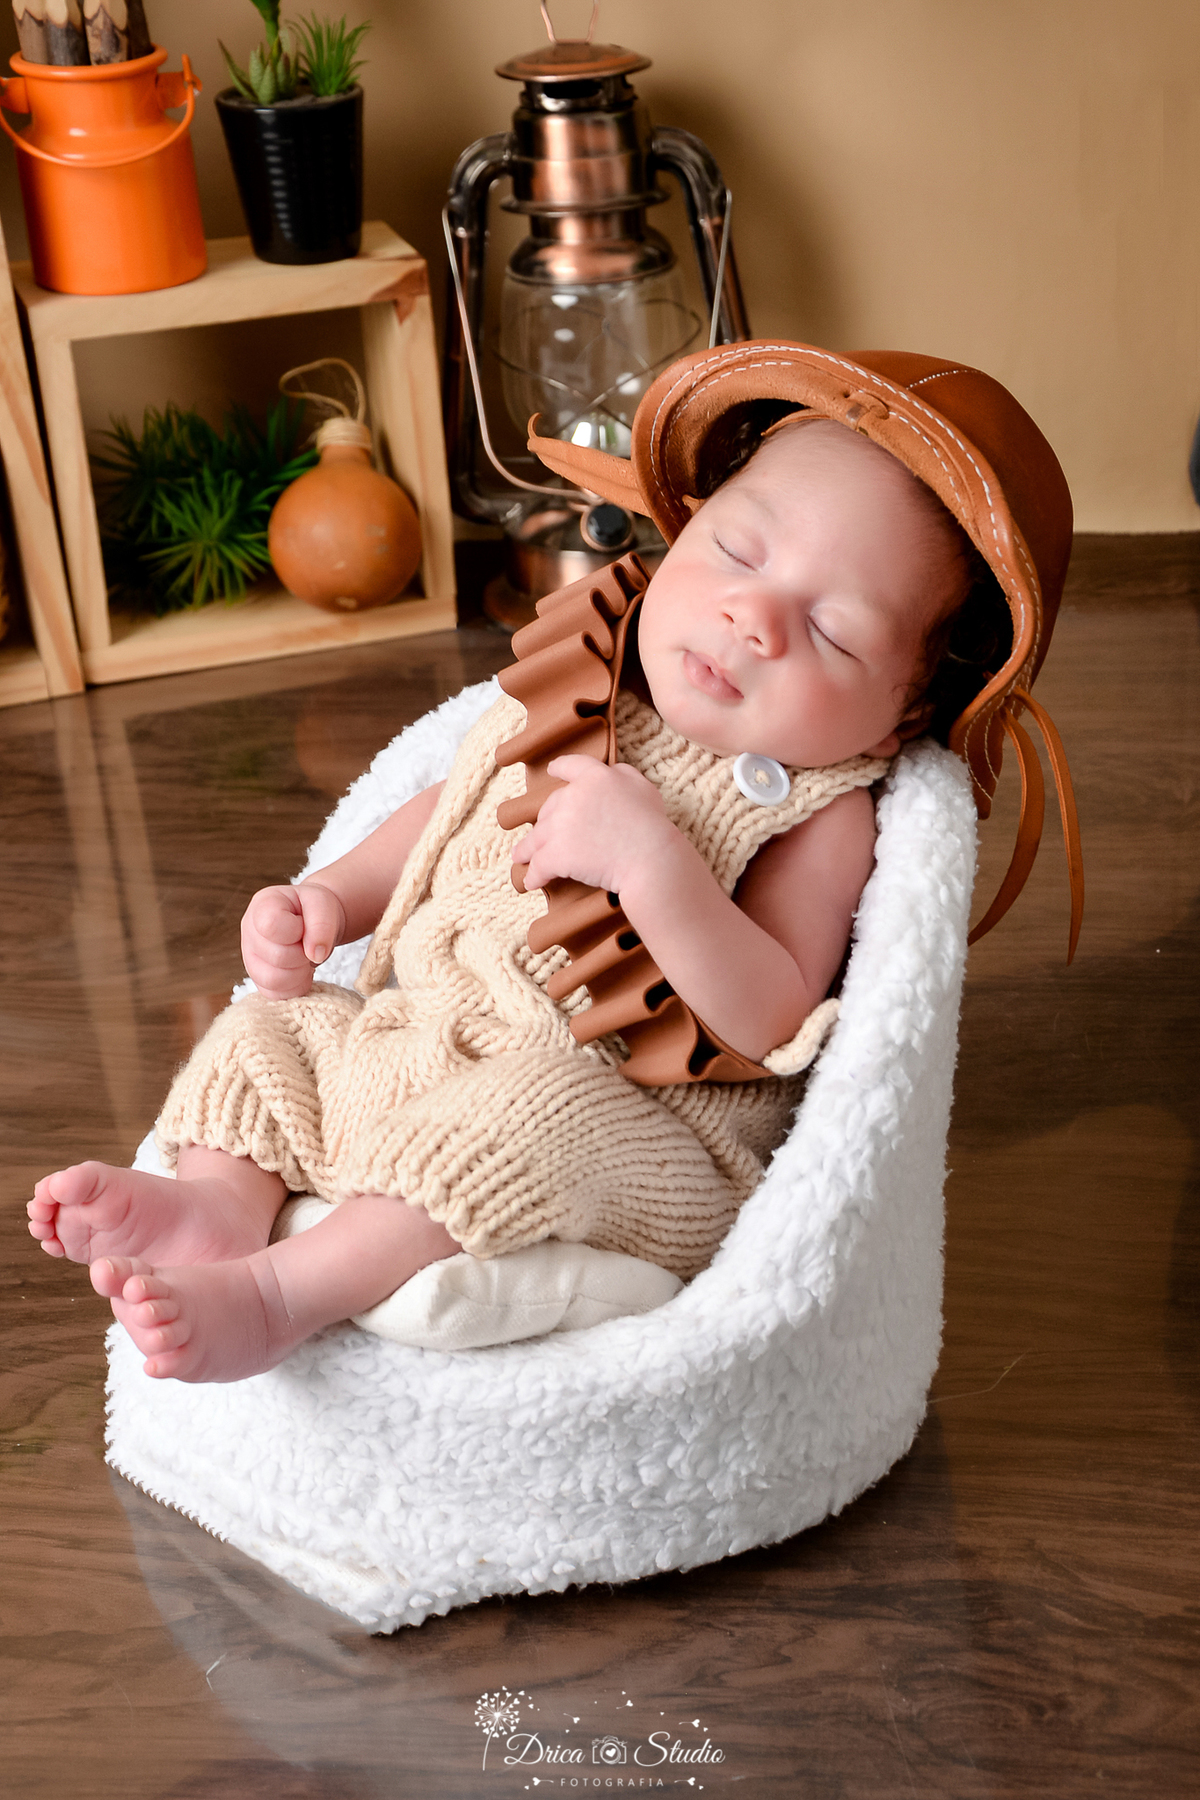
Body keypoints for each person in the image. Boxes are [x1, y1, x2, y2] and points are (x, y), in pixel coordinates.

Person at [27, 341, 1080, 1386]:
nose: (751, 620)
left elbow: (769, 1016)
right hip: (423, 1035)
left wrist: (657, 866)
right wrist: (329, 899)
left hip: (620, 1123)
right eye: (738, 555)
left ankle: (281, 1293)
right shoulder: (586, 684)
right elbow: (453, 810)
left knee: (516, 1118)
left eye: (833, 633)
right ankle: (218, 1208)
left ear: (906, 715)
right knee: (272, 1032)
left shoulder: (825, 811)